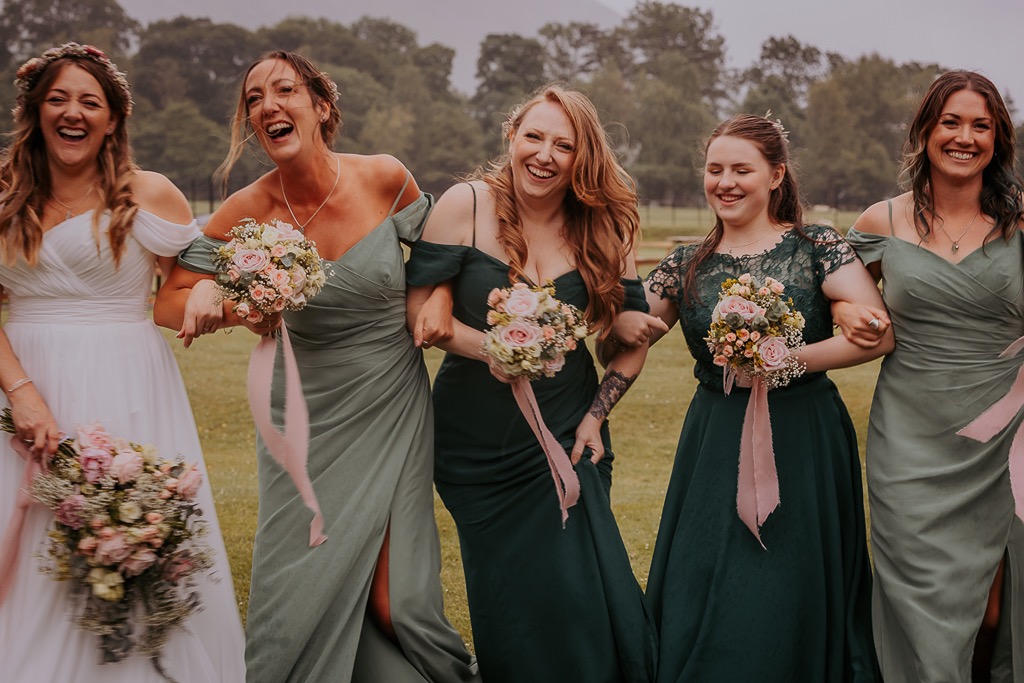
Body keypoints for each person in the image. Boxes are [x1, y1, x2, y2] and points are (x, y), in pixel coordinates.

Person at [153, 51, 480, 683]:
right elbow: (171, 301)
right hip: (302, 413)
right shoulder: (247, 209)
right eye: (254, 99)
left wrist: (435, 295)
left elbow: (444, 257)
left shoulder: (385, 178)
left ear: (321, 106)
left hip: (390, 396)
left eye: (284, 90)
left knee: (398, 600)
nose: (267, 105)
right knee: (296, 583)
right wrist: (234, 304)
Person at [611, 114, 889, 682]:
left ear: (776, 175)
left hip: (803, 432)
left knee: (789, 571)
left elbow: (879, 335)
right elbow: (633, 335)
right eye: (715, 170)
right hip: (715, 433)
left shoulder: (817, 247)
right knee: (707, 561)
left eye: (742, 169)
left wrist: (785, 359)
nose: (726, 182)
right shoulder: (683, 263)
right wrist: (618, 316)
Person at [0, 43, 245, 681]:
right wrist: (20, 391)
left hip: (127, 385)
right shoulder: (5, 191)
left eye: (90, 101)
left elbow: (181, 293)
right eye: (58, 99)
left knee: (129, 530)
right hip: (22, 378)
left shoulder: (148, 193)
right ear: (35, 110)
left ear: (113, 119)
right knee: (28, 540)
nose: (72, 113)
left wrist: (215, 293)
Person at [404, 85, 657, 683]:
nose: (544, 154)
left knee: (579, 590)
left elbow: (631, 341)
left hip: (572, 428)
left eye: (563, 145)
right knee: (510, 596)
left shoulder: (604, 226)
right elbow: (422, 318)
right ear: (511, 137)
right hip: (477, 445)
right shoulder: (464, 205)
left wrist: (597, 415)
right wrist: (491, 347)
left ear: (583, 158)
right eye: (534, 137)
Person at [834, 70, 1024, 682]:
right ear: (925, 131)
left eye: (981, 125)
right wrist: (847, 310)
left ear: (998, 140)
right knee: (922, 594)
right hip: (911, 437)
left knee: (996, 602)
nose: (965, 137)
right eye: (951, 122)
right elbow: (842, 296)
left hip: (1008, 434)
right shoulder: (881, 221)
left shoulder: (1021, 222)